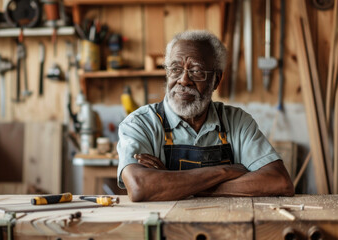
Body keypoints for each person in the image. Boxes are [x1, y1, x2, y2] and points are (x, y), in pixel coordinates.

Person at [116, 30, 294, 202]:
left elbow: (279, 182)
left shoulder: (237, 121)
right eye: (175, 69)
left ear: (216, 80)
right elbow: (140, 187)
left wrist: (172, 183)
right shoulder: (140, 123)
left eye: (196, 71)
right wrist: (225, 172)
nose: (184, 80)